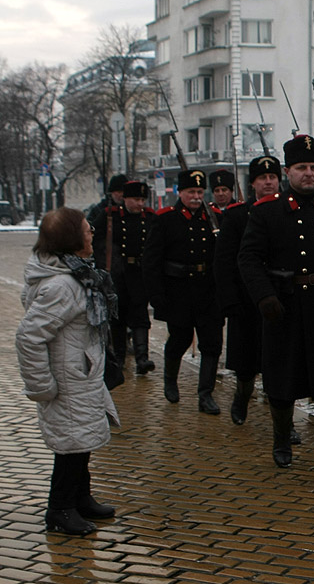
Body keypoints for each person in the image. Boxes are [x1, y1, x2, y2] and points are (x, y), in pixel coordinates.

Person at [237, 135, 314, 492]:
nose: (308, 174)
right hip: (284, 309)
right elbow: (249, 258)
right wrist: (264, 297)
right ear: (287, 171)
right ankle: (282, 439)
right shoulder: (267, 211)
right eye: (301, 168)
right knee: (283, 382)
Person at [16, 207, 120, 536]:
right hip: (67, 379)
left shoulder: (75, 274)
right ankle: (60, 509)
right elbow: (29, 338)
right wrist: (42, 386)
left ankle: (79, 498)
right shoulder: (63, 285)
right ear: (72, 240)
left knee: (81, 439)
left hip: (80, 372)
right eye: (87, 231)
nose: (92, 235)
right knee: (70, 446)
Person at [142, 169, 224, 415]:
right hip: (178, 291)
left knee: (212, 344)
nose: (196, 197)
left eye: (200, 192)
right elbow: (152, 259)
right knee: (179, 340)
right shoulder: (166, 218)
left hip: (208, 290)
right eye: (191, 192)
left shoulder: (214, 216)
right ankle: (170, 380)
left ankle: (205, 394)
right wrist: (156, 294)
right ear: (181, 192)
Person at [214, 155, 284, 426]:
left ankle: (282, 421)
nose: (268, 182)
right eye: (262, 178)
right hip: (246, 301)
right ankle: (241, 397)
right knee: (246, 365)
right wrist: (229, 302)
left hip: (279, 299)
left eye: (273, 177)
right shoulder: (236, 215)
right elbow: (224, 262)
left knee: (278, 364)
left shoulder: (289, 211)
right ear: (252, 183)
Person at [92, 180, 157, 375]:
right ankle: (118, 358)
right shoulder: (110, 216)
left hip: (139, 272)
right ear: (126, 199)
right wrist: (103, 263)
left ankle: (142, 358)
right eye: (136, 199)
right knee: (118, 316)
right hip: (117, 274)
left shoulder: (150, 217)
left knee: (140, 315)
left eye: (142, 199)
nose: (139, 204)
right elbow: (95, 239)